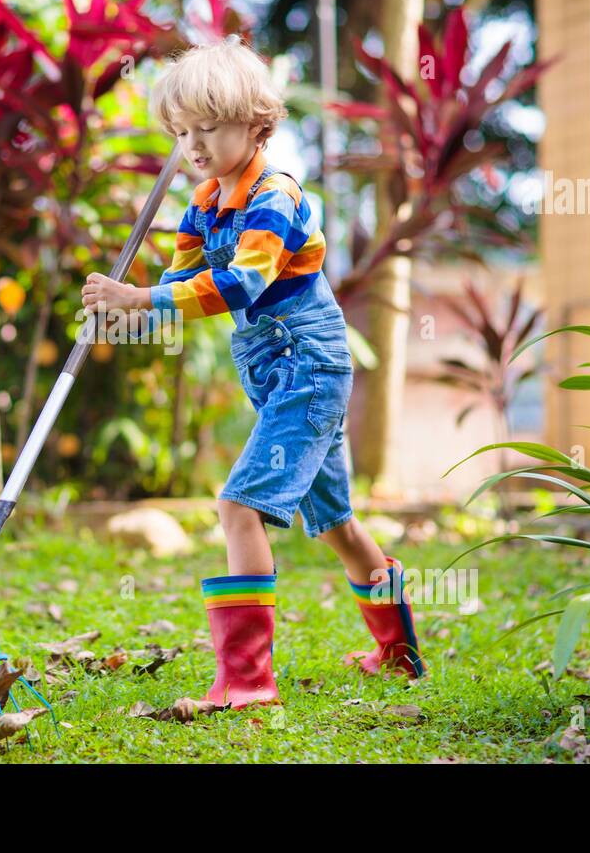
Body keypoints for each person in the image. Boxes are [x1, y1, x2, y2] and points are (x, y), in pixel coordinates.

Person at [81, 36, 427, 708]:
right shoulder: (202, 208)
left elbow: (238, 285)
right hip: (277, 372)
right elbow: (179, 295)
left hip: (308, 365)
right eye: (182, 132)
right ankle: (398, 655)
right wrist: (118, 317)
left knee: (239, 506)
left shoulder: (276, 197)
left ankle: (245, 683)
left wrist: (141, 297)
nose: (194, 146)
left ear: (258, 124)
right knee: (336, 526)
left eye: (208, 128)